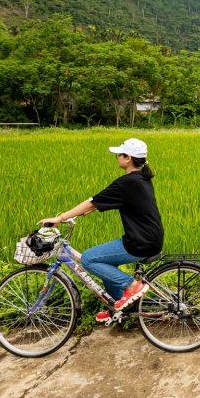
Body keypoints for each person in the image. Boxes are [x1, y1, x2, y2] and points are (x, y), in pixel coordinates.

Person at [39, 138, 164, 322]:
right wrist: (89, 209)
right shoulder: (140, 179)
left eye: (118, 155)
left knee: (89, 259)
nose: (116, 158)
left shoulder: (127, 182)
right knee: (105, 263)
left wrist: (60, 218)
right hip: (148, 238)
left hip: (140, 242)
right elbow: (99, 203)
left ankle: (132, 287)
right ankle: (117, 308)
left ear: (127, 158)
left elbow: (92, 201)